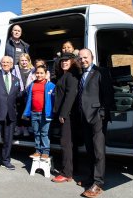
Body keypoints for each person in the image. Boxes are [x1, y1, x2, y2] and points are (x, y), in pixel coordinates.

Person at [78, 49, 114, 198]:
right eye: (80, 58)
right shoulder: (81, 74)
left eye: (85, 57)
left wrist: (102, 114)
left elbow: (108, 94)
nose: (83, 60)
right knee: (90, 150)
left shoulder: (101, 72)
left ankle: (98, 183)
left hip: (97, 117)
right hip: (84, 117)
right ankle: (91, 178)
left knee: (99, 151)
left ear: (92, 57)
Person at [51, 52, 80, 182]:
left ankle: (66, 173)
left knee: (66, 143)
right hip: (66, 114)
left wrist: (63, 113)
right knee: (70, 143)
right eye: (62, 61)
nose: (64, 62)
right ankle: (72, 169)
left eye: (67, 60)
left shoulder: (71, 76)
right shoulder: (64, 75)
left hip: (67, 115)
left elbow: (70, 96)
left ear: (72, 62)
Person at [22, 65, 55, 160]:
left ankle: (45, 151)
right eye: (37, 73)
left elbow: (53, 100)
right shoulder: (32, 85)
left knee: (44, 133)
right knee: (36, 132)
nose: (39, 75)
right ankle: (37, 151)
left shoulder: (51, 86)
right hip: (34, 113)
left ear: (46, 74)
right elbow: (28, 98)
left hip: (45, 113)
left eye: (41, 73)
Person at [12, 53, 34, 136]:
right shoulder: (15, 70)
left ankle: (26, 129)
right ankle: (18, 129)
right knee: (19, 112)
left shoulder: (33, 70)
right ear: (19, 61)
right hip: (19, 94)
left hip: (29, 95)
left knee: (27, 112)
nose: (24, 62)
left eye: (26, 60)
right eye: (22, 60)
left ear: (29, 61)